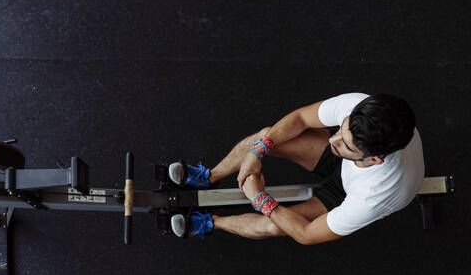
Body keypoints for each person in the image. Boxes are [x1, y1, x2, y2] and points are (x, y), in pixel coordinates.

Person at [168, 92, 424, 245]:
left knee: (276, 226)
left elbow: (307, 234)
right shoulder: (362, 107)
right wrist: (257, 151)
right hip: (347, 162)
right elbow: (301, 118)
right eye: (341, 129)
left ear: (374, 159)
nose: (333, 139)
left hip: (347, 194)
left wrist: (260, 199)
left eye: (345, 143)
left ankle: (212, 223)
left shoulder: (374, 196)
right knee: (266, 136)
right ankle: (209, 177)